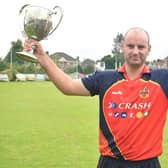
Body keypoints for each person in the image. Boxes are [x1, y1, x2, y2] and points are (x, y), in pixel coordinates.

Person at [23, 27, 167, 168]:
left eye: (141, 47)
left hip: (148, 163)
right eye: (130, 46)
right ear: (122, 47)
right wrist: (42, 57)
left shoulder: (162, 79)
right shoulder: (104, 78)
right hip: (110, 163)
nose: (135, 51)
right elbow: (68, 86)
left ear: (149, 49)